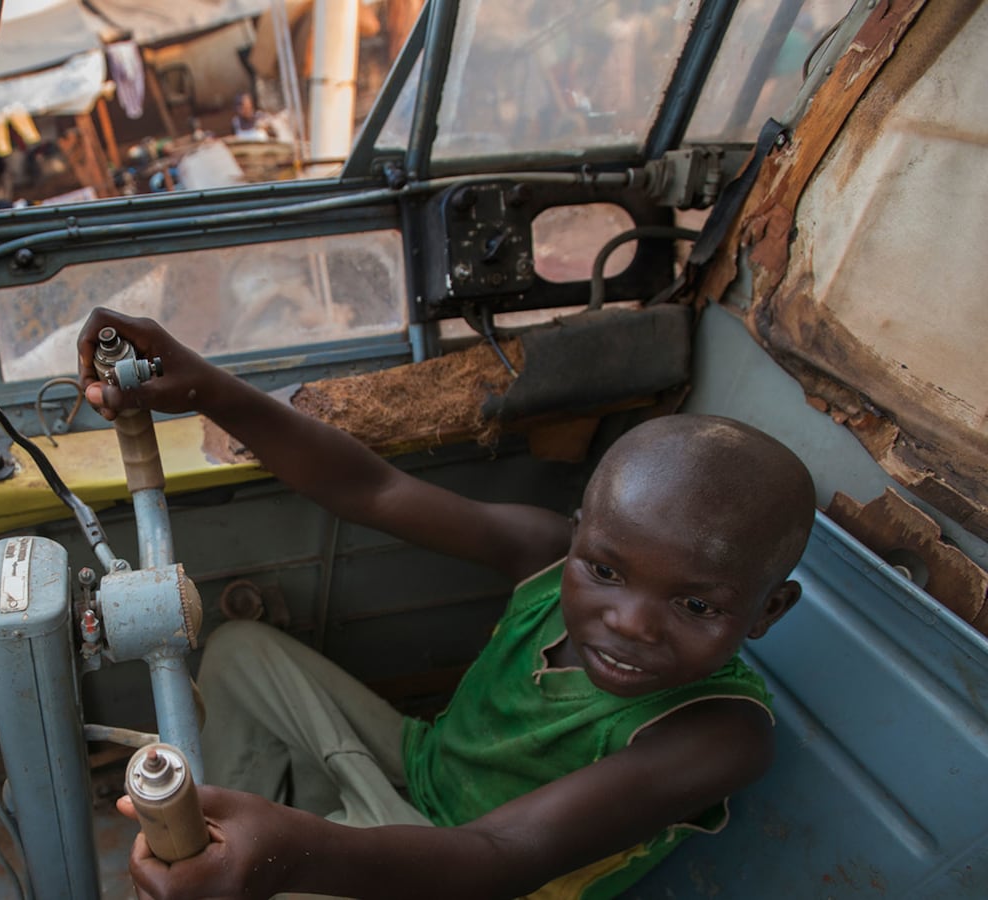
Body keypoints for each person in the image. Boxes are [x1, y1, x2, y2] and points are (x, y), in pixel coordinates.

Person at [76, 307, 816, 900]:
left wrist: (291, 855)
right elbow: (373, 490)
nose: (631, 621)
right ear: (581, 536)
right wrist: (206, 388)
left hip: (462, 873)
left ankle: (259, 848)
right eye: (605, 570)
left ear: (768, 612)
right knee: (241, 653)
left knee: (285, 865)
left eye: (695, 606)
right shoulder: (549, 556)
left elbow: (499, 854)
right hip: (417, 767)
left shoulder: (722, 734)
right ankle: (240, 843)